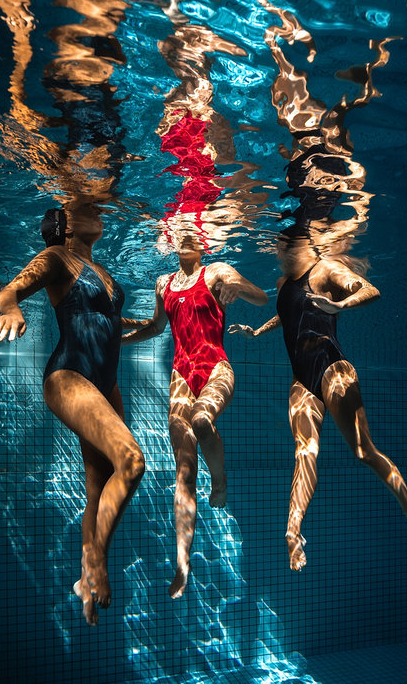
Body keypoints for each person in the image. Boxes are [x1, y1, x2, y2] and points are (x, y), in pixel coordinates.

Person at [0, 203, 145, 625]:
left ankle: (86, 582)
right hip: (70, 377)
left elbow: (110, 320)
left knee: (99, 490)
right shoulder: (56, 258)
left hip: (105, 384)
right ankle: (95, 562)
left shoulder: (103, 270)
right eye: (86, 207)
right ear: (66, 224)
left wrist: (152, 325)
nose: (99, 210)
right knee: (130, 462)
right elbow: (10, 291)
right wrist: (12, 310)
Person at [230, 233, 407, 572]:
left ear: (302, 245)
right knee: (304, 454)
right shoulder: (282, 283)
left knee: (363, 451)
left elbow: (369, 290)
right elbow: (289, 315)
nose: (279, 253)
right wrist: (258, 332)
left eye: (284, 246)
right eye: (278, 247)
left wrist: (341, 305)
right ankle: (293, 531)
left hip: (333, 368)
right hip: (302, 380)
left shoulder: (326, 268)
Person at [122, 233, 267, 597]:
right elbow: (156, 328)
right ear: (171, 241)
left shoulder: (218, 271)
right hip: (181, 375)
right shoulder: (163, 283)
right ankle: (182, 564)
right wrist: (119, 340)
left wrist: (239, 284)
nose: (186, 235)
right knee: (183, 470)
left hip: (216, 367)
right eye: (179, 231)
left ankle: (219, 481)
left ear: (204, 242)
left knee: (202, 421)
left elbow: (261, 297)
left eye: (193, 231)